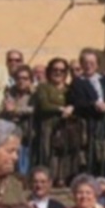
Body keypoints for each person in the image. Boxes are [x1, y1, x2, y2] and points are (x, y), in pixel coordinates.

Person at [68, 48, 105, 174]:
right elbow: (77, 102)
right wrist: (94, 105)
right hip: (89, 121)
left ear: (97, 64)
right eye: (85, 62)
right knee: (90, 152)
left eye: (92, 62)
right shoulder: (78, 82)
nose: (88, 65)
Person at [35, 58, 76, 186]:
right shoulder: (43, 87)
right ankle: (49, 179)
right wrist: (61, 108)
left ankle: (63, 179)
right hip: (49, 125)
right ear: (49, 71)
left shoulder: (69, 89)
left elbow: (76, 103)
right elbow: (44, 104)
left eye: (62, 70)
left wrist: (72, 107)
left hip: (67, 126)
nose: (58, 73)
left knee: (65, 153)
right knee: (49, 153)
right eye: (55, 69)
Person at [1, 63, 35, 176]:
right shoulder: (10, 91)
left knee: (25, 158)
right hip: (11, 130)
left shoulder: (35, 93)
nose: (22, 81)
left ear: (30, 80)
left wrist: (16, 109)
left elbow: (34, 108)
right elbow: (6, 106)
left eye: (25, 78)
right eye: (19, 78)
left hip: (28, 130)